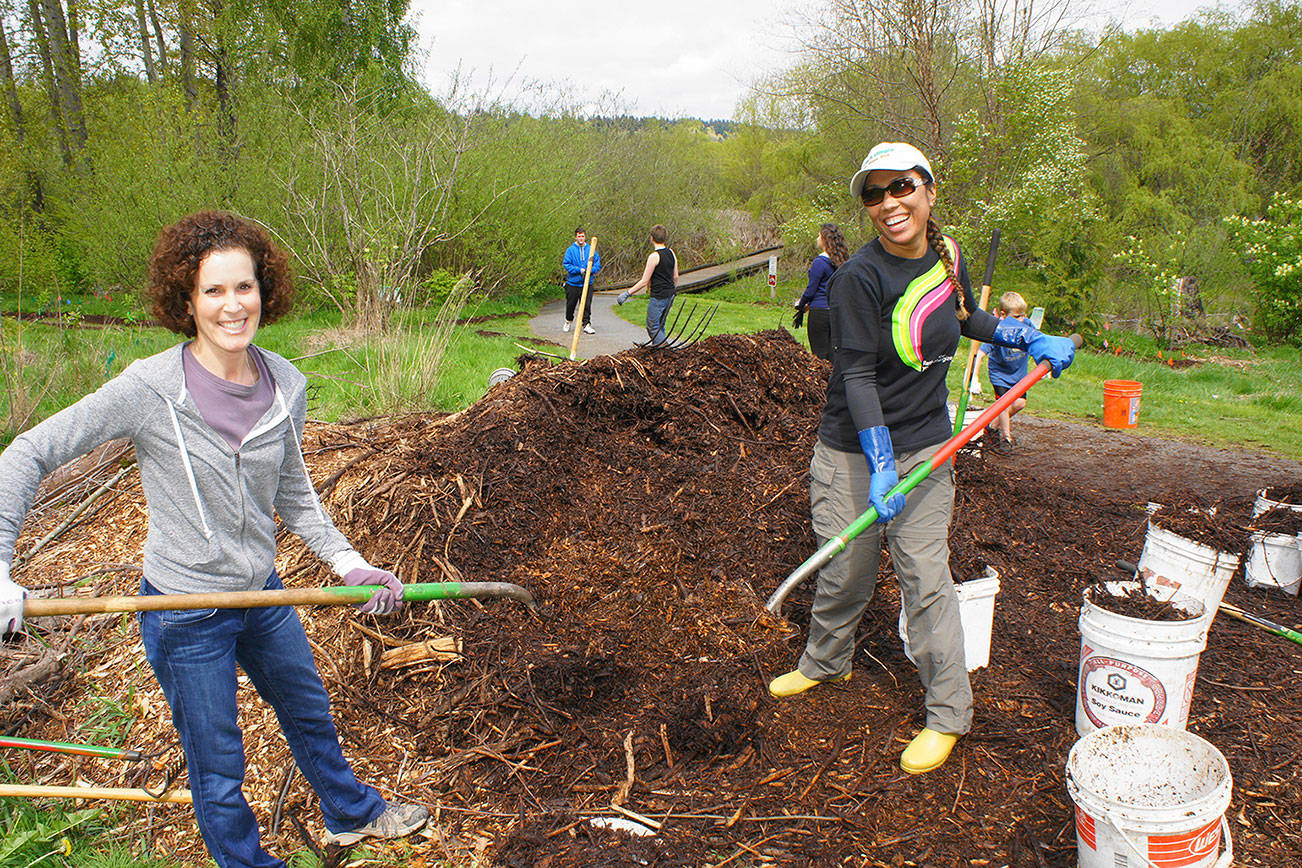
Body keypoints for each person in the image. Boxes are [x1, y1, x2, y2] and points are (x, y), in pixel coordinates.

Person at [0, 211, 428, 866]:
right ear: (187, 300)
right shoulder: (150, 389)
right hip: (183, 613)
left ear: (266, 290)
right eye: (214, 291)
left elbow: (291, 492)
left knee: (309, 712)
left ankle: (350, 814)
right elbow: (26, 454)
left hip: (261, 594)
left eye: (244, 287)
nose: (233, 305)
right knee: (218, 763)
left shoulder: (287, 384)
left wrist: (348, 561)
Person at [766, 143, 1075, 775]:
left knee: (924, 577)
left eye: (900, 187)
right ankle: (826, 661)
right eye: (873, 194)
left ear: (928, 190)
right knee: (847, 567)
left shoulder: (948, 255)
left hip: (930, 445)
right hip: (854, 447)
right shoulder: (859, 278)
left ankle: (947, 714)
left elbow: (961, 317)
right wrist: (880, 460)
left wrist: (1018, 334)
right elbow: (854, 376)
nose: (888, 204)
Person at [973, 291, 1033, 454]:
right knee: (1004, 405)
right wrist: (975, 377)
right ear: (1003, 315)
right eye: (1017, 317)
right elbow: (980, 354)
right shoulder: (996, 331)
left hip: (1018, 375)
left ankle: (992, 426)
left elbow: (1036, 343)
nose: (1021, 319)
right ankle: (1006, 438)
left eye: (1023, 315)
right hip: (1000, 375)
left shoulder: (1027, 325)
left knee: (1020, 403)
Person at [794, 223, 850, 360]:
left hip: (819, 313)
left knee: (819, 356)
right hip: (837, 312)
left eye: (819, 235)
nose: (817, 238)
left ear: (825, 239)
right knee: (833, 356)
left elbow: (811, 291)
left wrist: (801, 304)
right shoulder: (842, 262)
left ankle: (822, 381)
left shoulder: (819, 262)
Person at [616, 224, 678, 346]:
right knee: (660, 325)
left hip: (658, 296)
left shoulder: (654, 257)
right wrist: (672, 290)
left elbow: (644, 281)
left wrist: (627, 293)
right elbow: (675, 276)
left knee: (653, 327)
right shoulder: (671, 253)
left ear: (651, 238)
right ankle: (660, 352)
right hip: (670, 294)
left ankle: (666, 350)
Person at [562, 227, 602, 335]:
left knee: (586, 305)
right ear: (576, 237)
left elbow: (597, 264)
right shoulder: (570, 250)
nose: (581, 238)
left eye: (583, 236)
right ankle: (568, 321)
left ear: (585, 237)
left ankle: (586, 324)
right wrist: (579, 270)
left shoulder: (591, 249)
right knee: (571, 305)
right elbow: (566, 264)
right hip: (573, 283)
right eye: (579, 236)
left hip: (587, 283)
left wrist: (589, 271)